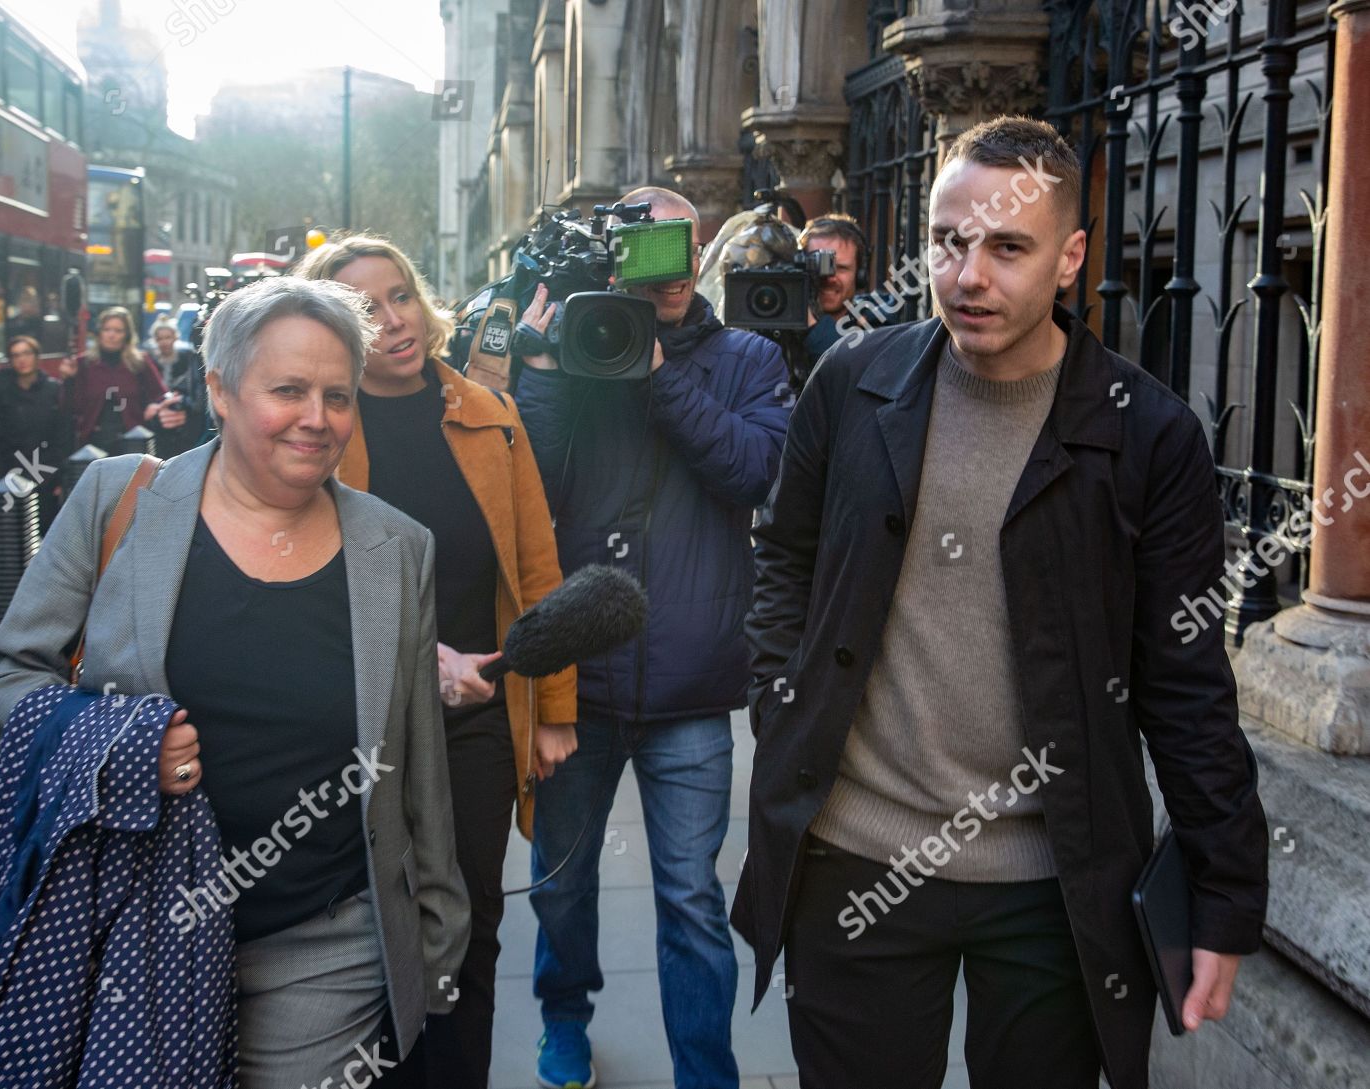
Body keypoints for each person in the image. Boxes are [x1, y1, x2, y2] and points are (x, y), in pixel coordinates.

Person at [733, 116, 1269, 1089]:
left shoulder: (1148, 438)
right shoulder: (852, 384)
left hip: (1052, 888)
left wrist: (1225, 899)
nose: (968, 274)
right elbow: (783, 555)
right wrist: (779, 699)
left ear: (1070, 260)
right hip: (856, 861)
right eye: (949, 241)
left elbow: (1186, 685)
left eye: (1007, 247)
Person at [0, 275, 470, 1088]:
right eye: (288, 390)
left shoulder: (398, 547)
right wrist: (119, 746)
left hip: (322, 949)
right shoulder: (117, 500)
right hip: (126, 933)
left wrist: (440, 931)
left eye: (338, 395)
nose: (318, 418)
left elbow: (414, 762)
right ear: (220, 391)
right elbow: (1, 677)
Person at [513, 187, 790, 1089]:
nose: (661, 271)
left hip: (694, 686)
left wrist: (662, 372)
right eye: (641, 250)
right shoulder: (584, 351)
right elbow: (535, 491)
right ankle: (565, 1020)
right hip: (578, 681)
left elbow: (754, 471)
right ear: (612, 257)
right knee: (561, 882)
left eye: (677, 248)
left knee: (692, 900)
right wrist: (551, 371)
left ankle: (705, 1073)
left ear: (700, 249)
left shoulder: (747, 356)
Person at [299, 234, 578, 1088]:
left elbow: (536, 567)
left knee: (470, 925)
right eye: (363, 308)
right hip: (351, 722)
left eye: (401, 296)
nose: (392, 322)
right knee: (366, 926)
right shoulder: (317, 430)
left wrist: (555, 710)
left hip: (476, 721)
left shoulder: (491, 416)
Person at [0, 334, 69, 533]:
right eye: (15, 355)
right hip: (10, 472)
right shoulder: (1, 391)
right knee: (12, 537)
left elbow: (62, 436)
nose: (21, 360)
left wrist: (58, 476)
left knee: (45, 532)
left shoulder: (54, 390)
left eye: (26, 353)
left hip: (44, 471)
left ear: (37, 356)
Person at [58, 306, 168, 452]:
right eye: (107, 329)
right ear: (99, 333)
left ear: (126, 335)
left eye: (118, 331)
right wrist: (68, 380)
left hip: (133, 442)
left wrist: (155, 406)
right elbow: (69, 407)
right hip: (93, 443)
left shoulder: (140, 362)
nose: (112, 335)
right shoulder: (83, 363)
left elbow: (161, 395)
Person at [798, 214, 877, 365]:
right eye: (818, 266)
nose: (829, 278)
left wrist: (812, 326)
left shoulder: (878, 322)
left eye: (841, 268)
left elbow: (850, 369)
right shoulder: (779, 323)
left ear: (860, 274)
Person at [149, 317, 210, 457]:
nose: (164, 342)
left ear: (175, 337)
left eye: (168, 337)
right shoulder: (149, 360)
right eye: (160, 338)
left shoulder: (187, 357)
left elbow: (195, 392)